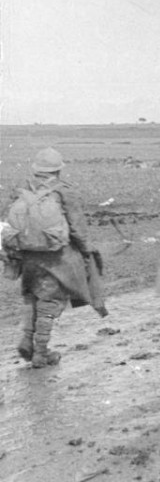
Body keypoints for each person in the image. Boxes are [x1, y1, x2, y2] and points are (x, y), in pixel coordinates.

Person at [1, 148, 107, 368]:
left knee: (32, 295)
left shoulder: (22, 190)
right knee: (50, 300)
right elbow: (77, 228)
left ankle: (26, 340)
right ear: (58, 170)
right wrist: (87, 250)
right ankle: (40, 353)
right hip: (57, 257)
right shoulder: (65, 192)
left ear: (36, 170)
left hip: (27, 255)